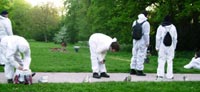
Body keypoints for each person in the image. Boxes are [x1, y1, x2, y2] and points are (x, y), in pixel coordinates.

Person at [155, 15, 178, 80]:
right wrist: (174, 47)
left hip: (162, 46)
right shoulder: (173, 27)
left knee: (161, 60)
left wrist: (157, 47)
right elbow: (175, 39)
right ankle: (170, 75)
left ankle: (160, 75)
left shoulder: (160, 27)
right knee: (170, 60)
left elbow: (158, 38)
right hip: (171, 46)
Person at [130, 11, 150, 76]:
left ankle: (132, 69)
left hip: (135, 41)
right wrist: (147, 42)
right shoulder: (146, 23)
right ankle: (139, 70)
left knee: (134, 55)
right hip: (142, 41)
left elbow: (132, 32)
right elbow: (146, 34)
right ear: (146, 16)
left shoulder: (135, 22)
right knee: (141, 55)